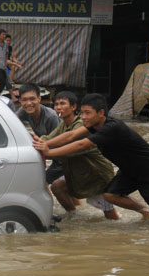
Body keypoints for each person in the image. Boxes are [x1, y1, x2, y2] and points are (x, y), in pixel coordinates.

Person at [33, 93, 149, 228]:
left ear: (101, 113)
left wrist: (49, 152)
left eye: (87, 113)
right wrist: (46, 143)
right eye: (82, 113)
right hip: (129, 170)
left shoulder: (112, 127)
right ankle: (146, 210)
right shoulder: (94, 125)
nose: (83, 117)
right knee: (110, 195)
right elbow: (71, 136)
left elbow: (80, 144)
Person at [38, 91, 119, 220]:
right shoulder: (64, 124)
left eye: (62, 103)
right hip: (79, 173)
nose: (58, 107)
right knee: (57, 187)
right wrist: (34, 141)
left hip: (95, 174)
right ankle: (75, 216)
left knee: (110, 215)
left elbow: (70, 146)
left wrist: (46, 151)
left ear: (73, 107)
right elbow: (49, 138)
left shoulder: (81, 125)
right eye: (56, 104)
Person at [17, 83, 63, 186]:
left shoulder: (50, 117)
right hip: (46, 151)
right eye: (24, 100)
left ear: (39, 99)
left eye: (32, 99)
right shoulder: (23, 111)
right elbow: (12, 123)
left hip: (61, 157)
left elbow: (56, 142)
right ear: (20, 101)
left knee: (42, 184)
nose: (29, 103)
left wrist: (38, 140)